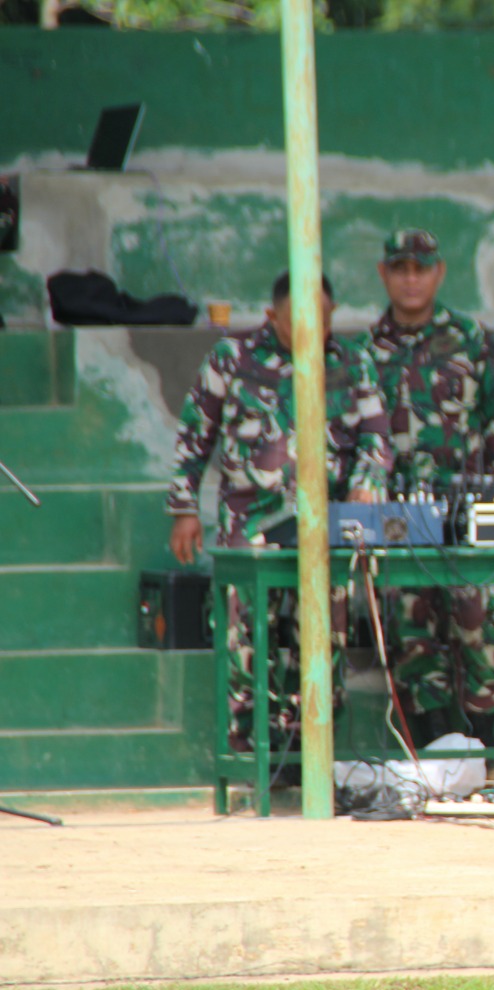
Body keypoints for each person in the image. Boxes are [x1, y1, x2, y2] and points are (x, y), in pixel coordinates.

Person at [167, 272, 390, 751]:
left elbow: (376, 436)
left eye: (324, 316)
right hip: (249, 522)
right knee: (246, 633)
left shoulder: (353, 362)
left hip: (324, 524)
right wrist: (184, 508)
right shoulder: (233, 358)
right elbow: (194, 435)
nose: (314, 325)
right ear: (271, 316)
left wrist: (365, 487)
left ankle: (315, 745)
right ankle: (251, 744)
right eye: (300, 317)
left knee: (322, 634)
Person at [359, 229, 494, 751]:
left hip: (466, 511)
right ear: (384, 273)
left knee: (475, 625)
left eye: (421, 268)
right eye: (400, 268)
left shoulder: (471, 338)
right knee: (411, 633)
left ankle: (487, 753)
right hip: (396, 515)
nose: (411, 278)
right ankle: (432, 754)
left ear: (439, 272)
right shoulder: (367, 349)